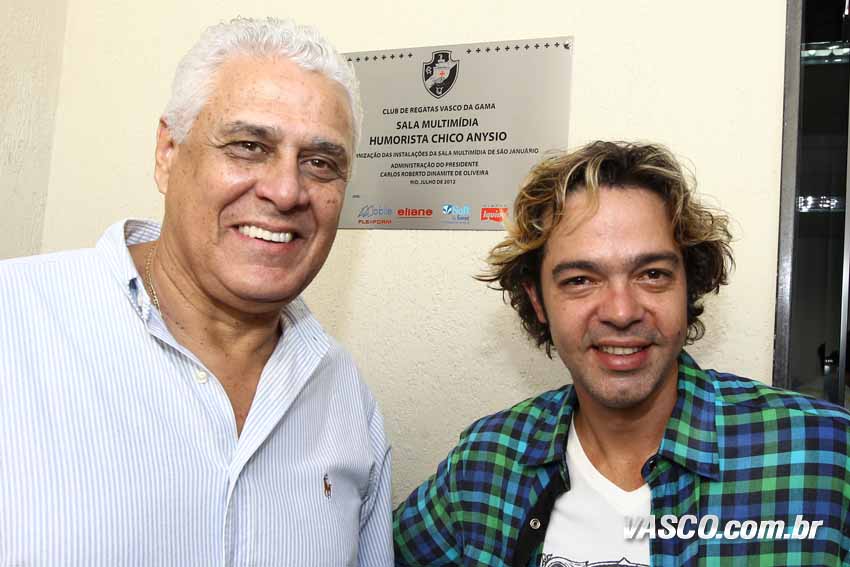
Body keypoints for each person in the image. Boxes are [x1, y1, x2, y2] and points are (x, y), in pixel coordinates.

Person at [0, 17, 392, 565]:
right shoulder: (14, 323)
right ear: (168, 152)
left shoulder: (345, 396)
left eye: (320, 163)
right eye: (249, 146)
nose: (286, 191)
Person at [393, 141, 850, 566]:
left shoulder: (825, 455)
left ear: (688, 285)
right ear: (538, 301)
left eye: (652, 274)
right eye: (580, 280)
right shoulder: (485, 464)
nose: (621, 311)